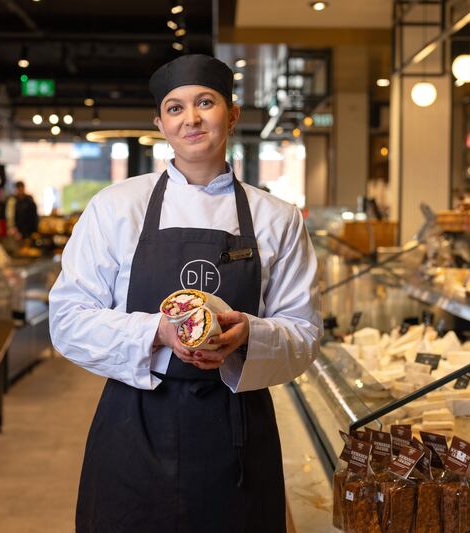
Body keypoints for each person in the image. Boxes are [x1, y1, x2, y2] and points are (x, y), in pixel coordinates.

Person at [49, 54, 321, 533]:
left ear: (232, 114)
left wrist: (248, 336)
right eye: (174, 108)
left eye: (205, 102)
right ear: (160, 124)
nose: (190, 118)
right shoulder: (116, 207)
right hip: (134, 425)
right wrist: (155, 330)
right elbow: (67, 319)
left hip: (236, 431)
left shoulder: (276, 217)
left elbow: (304, 333)